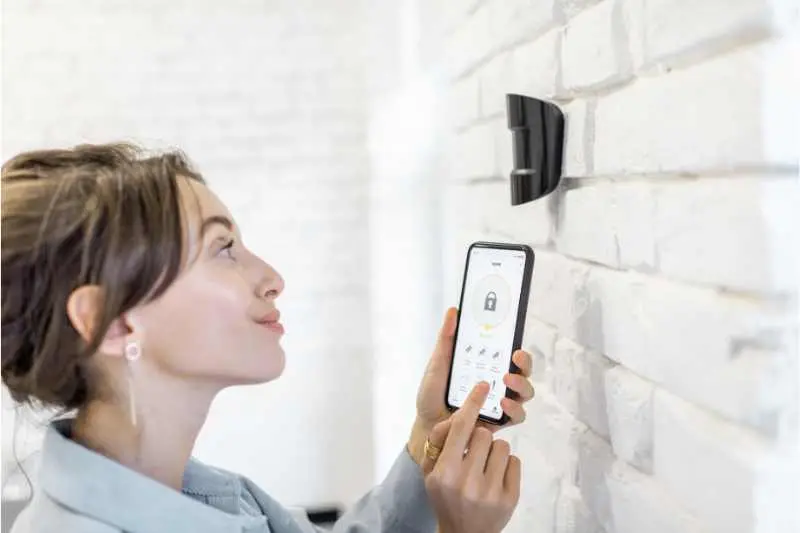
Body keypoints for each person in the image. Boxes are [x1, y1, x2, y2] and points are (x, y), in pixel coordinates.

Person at [0, 143, 537, 533]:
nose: (271, 277)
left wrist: (429, 438)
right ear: (109, 322)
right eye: (222, 249)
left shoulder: (202, 493)